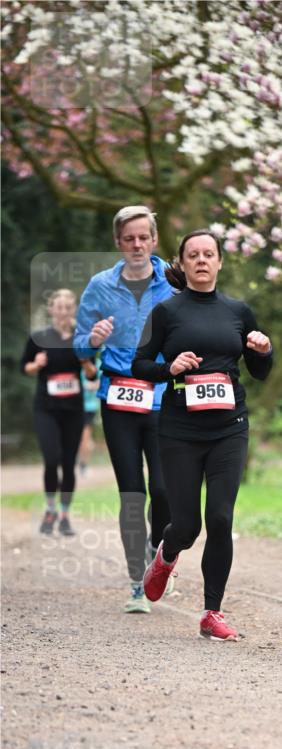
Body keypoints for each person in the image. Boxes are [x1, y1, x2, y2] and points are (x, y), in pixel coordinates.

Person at [132, 229, 273, 641]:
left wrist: (264, 350)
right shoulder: (165, 312)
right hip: (179, 430)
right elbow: (139, 365)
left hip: (230, 427)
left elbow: (261, 372)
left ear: (219, 262)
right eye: (193, 255)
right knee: (187, 525)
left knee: (221, 517)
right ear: (183, 262)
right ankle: (167, 553)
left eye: (208, 254)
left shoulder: (238, 311)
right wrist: (169, 368)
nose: (201, 260)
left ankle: (212, 612)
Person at [74, 205, 174, 613]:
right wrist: (93, 339)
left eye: (143, 237)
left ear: (154, 240)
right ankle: (138, 580)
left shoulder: (173, 280)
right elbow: (80, 343)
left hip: (164, 396)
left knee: (165, 490)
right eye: (128, 238)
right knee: (132, 492)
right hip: (118, 398)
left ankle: (156, 551)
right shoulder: (100, 285)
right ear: (118, 242)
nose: (136, 244)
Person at [21, 289, 97, 536]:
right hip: (46, 408)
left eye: (68, 307)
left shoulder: (81, 338)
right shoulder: (39, 337)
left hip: (73, 410)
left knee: (68, 462)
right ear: (51, 309)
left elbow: (92, 374)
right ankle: (50, 509)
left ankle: (64, 516)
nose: (63, 311)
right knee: (51, 459)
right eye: (59, 307)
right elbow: (26, 367)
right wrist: (36, 364)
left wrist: (85, 361)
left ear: (73, 310)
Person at [78, 358, 101, 476]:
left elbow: (101, 382)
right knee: (84, 439)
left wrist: (87, 385)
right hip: (74, 406)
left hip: (89, 407)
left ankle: (83, 465)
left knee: (85, 438)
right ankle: (82, 464)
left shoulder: (98, 363)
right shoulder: (76, 360)